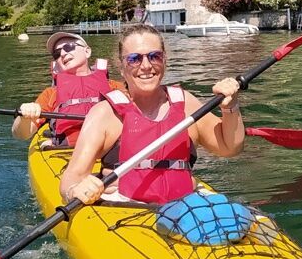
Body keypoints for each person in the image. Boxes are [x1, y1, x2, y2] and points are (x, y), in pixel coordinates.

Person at [59, 24, 244, 206]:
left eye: (155, 56)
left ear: (165, 60)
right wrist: (74, 190)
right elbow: (71, 179)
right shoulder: (105, 114)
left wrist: (231, 107)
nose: (146, 66)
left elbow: (229, 147)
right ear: (121, 66)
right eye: (134, 59)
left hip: (184, 206)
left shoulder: (186, 104)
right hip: (124, 209)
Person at [11, 32, 125, 146]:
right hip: (69, 151)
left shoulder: (114, 87)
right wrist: (24, 117)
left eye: (69, 47)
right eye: (56, 54)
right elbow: (21, 134)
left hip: (112, 147)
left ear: (87, 51)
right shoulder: (51, 93)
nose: (63, 54)